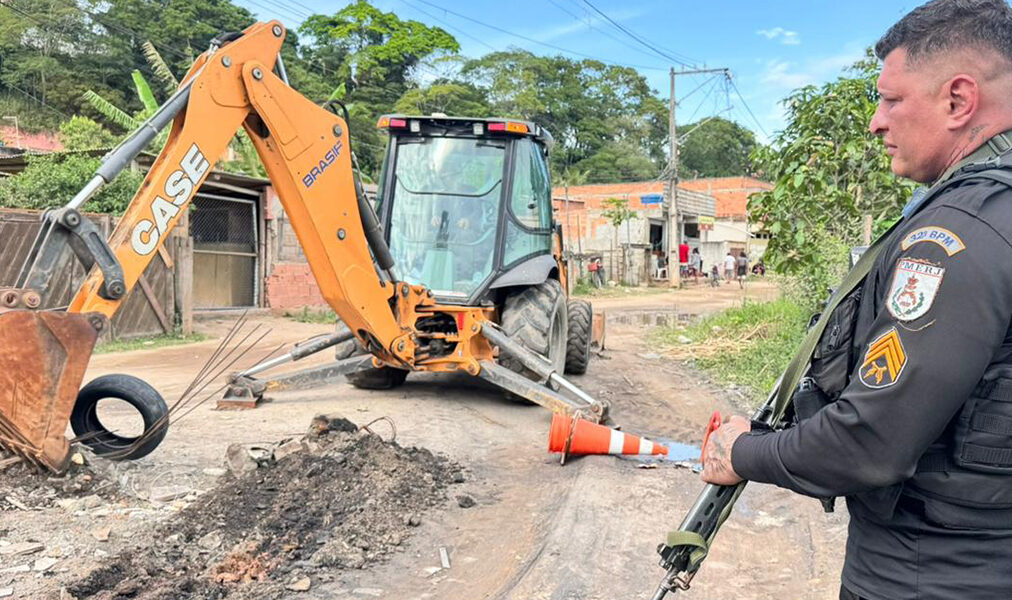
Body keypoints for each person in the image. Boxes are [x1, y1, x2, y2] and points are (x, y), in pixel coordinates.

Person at [701, 2, 1012, 598]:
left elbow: (869, 443)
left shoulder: (953, 236)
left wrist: (742, 452)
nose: (876, 121)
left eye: (891, 99)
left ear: (958, 100)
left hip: (931, 571)